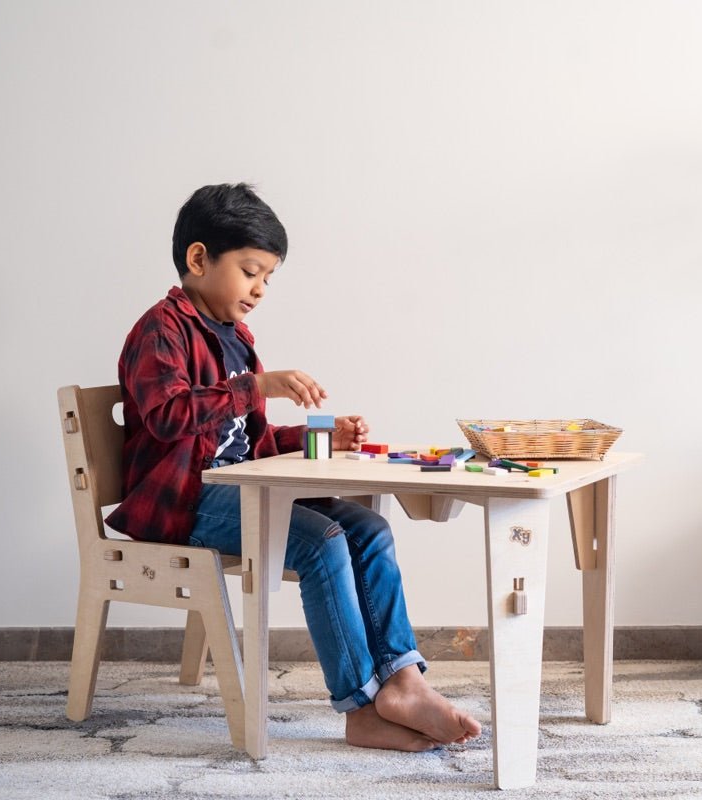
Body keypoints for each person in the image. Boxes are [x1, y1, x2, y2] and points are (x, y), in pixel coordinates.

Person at [105, 183, 481, 752]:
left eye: (268, 278)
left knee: (368, 527)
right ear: (199, 259)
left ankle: (403, 681)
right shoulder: (161, 330)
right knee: (320, 540)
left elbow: (248, 439)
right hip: (186, 499)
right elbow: (167, 417)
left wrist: (313, 436)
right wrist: (254, 385)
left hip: (238, 489)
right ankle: (360, 706)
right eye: (251, 270)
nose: (259, 289)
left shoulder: (237, 339)